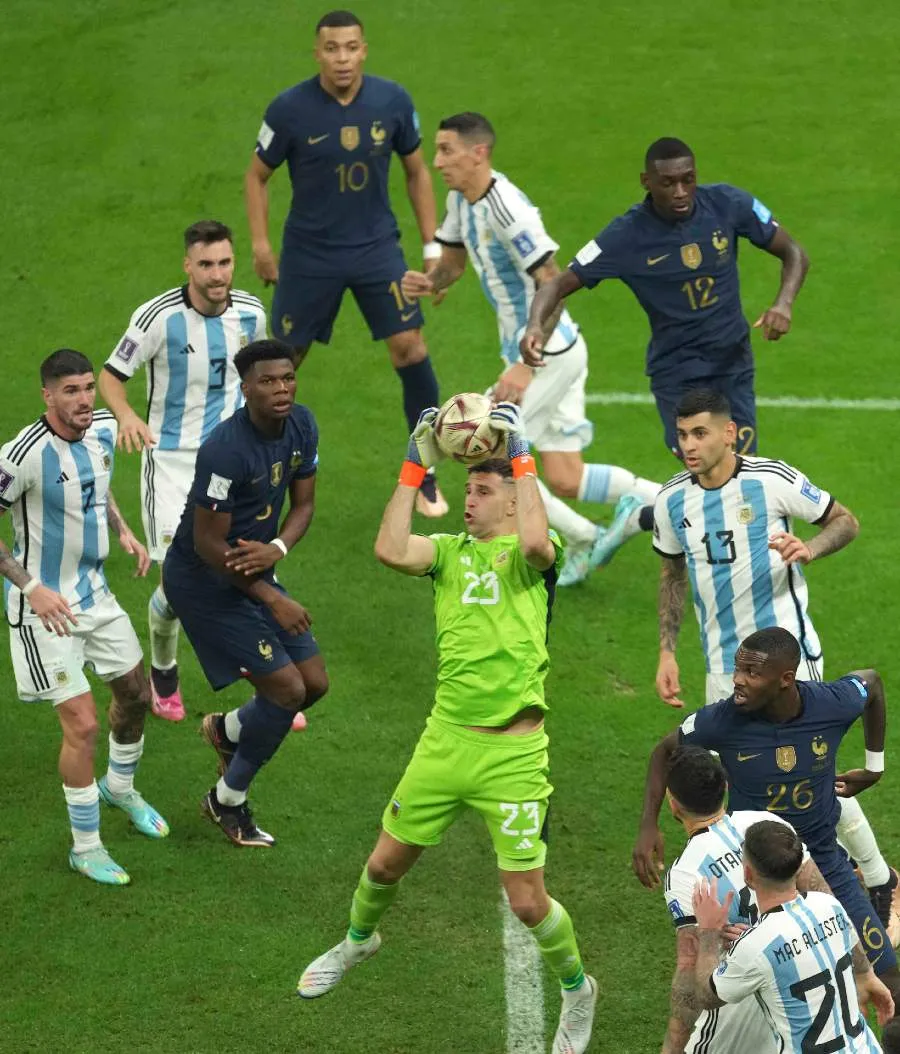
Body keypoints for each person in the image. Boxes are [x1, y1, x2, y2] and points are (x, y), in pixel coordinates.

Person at [296, 406, 597, 1054]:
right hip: (446, 741)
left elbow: (538, 544)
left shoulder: (532, 557)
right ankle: (358, 941)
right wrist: (415, 463)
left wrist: (523, 456)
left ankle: (577, 990)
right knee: (384, 863)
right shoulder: (448, 555)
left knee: (527, 902)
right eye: (467, 489)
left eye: (483, 491)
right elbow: (389, 548)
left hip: (513, 757)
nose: (469, 501)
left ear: (514, 500)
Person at [652, 388, 897, 918]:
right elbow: (672, 573)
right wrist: (667, 651)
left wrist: (811, 548)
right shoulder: (670, 500)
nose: (688, 445)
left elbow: (845, 521)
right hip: (725, 668)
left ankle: (877, 879)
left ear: (729, 433)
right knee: (750, 782)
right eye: (682, 434)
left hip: (789, 664)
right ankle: (783, 887)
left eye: (699, 433)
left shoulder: (771, 480)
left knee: (812, 777)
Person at [400, 111, 661, 586]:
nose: (436, 162)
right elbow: (453, 262)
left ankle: (584, 538)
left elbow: (553, 281)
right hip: (553, 349)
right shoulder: (462, 198)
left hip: (545, 355)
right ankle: (679, 500)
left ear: (478, 153)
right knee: (565, 475)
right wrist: (431, 281)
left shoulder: (507, 209)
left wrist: (525, 363)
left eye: (446, 150)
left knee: (490, 451)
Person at [245, 8, 446, 517]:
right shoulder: (289, 109)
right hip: (310, 254)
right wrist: (261, 245)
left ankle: (424, 473)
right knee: (279, 364)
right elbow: (256, 176)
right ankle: (250, 470)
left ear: (364, 50)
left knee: (410, 347)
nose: (342, 58)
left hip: (376, 248)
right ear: (317, 53)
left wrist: (432, 248)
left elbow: (417, 172)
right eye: (332, 48)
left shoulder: (393, 101)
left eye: (351, 47)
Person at [633, 627, 900, 1000]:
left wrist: (874, 767)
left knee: (889, 980)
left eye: (752, 673)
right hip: (762, 877)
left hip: (826, 864)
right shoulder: (723, 721)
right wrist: (648, 824)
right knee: (774, 992)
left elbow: (871, 684)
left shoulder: (831, 703)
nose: (737, 680)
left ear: (785, 679)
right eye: (737, 669)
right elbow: (664, 751)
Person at [520, 136, 809, 460]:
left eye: (688, 180)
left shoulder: (727, 204)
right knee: (705, 467)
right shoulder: (626, 236)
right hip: (678, 373)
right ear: (647, 182)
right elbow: (556, 285)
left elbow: (794, 252)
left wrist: (783, 304)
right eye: (668, 183)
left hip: (732, 364)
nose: (681, 192)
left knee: (739, 468)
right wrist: (534, 326)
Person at [0, 349, 168, 885]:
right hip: (44, 610)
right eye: (70, 391)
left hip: (95, 595)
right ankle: (86, 847)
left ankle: (120, 788)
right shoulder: (21, 455)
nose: (84, 400)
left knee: (137, 694)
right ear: (47, 395)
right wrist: (32, 588)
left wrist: (122, 529)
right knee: (84, 724)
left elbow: (96, 484)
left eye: (89, 388)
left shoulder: (101, 430)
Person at [99, 219, 267, 722]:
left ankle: (266, 677)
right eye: (206, 264)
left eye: (225, 262)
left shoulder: (251, 313)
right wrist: (127, 416)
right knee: (178, 584)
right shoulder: (157, 317)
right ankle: (164, 670)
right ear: (187, 266)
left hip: (230, 461)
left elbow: (260, 376)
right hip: (171, 462)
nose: (218, 274)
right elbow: (111, 377)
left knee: (244, 567)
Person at [162, 339, 327, 847]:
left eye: (287, 378)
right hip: (203, 581)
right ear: (246, 388)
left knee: (314, 684)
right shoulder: (225, 451)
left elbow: (304, 506)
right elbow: (208, 544)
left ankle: (228, 731)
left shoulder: (302, 425)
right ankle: (227, 801)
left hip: (252, 566)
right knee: (287, 691)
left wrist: (276, 548)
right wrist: (272, 597)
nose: (281, 389)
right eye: (267, 381)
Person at [662, 744, 832, 1054]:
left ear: (673, 804)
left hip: (734, 1006)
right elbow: (822, 897)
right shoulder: (768, 825)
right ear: (726, 788)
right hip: (796, 986)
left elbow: (688, 969)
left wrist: (673, 1045)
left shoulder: (685, 873)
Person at [690, 820, 893, 1052]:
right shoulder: (829, 905)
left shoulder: (754, 947)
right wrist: (866, 974)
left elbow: (707, 996)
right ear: (798, 867)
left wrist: (708, 932)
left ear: (747, 874)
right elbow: (844, 941)